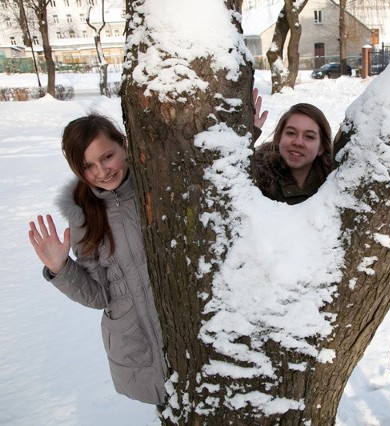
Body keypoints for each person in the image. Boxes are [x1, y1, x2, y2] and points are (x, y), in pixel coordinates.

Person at [28, 96, 268, 405]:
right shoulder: (84, 216)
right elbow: (99, 295)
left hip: (189, 330)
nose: (101, 171)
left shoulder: (159, 184)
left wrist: (243, 136)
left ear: (124, 147)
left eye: (107, 156)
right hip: (137, 347)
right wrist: (61, 269)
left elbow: (211, 182)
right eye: (88, 166)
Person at [253, 103, 333, 204]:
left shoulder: (334, 183)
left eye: (309, 136)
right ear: (279, 138)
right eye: (291, 133)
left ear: (321, 148)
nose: (298, 142)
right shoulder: (255, 176)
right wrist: (246, 139)